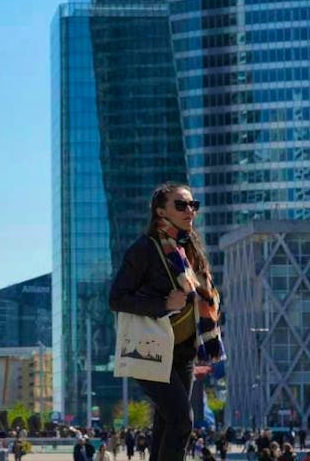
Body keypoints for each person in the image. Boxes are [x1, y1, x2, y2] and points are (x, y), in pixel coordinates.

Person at [109, 183, 225, 461]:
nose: (190, 211)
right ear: (161, 211)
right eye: (181, 205)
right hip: (150, 346)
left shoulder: (190, 249)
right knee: (182, 420)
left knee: (166, 423)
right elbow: (117, 298)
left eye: (193, 205)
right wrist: (163, 304)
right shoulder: (144, 249)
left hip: (183, 350)